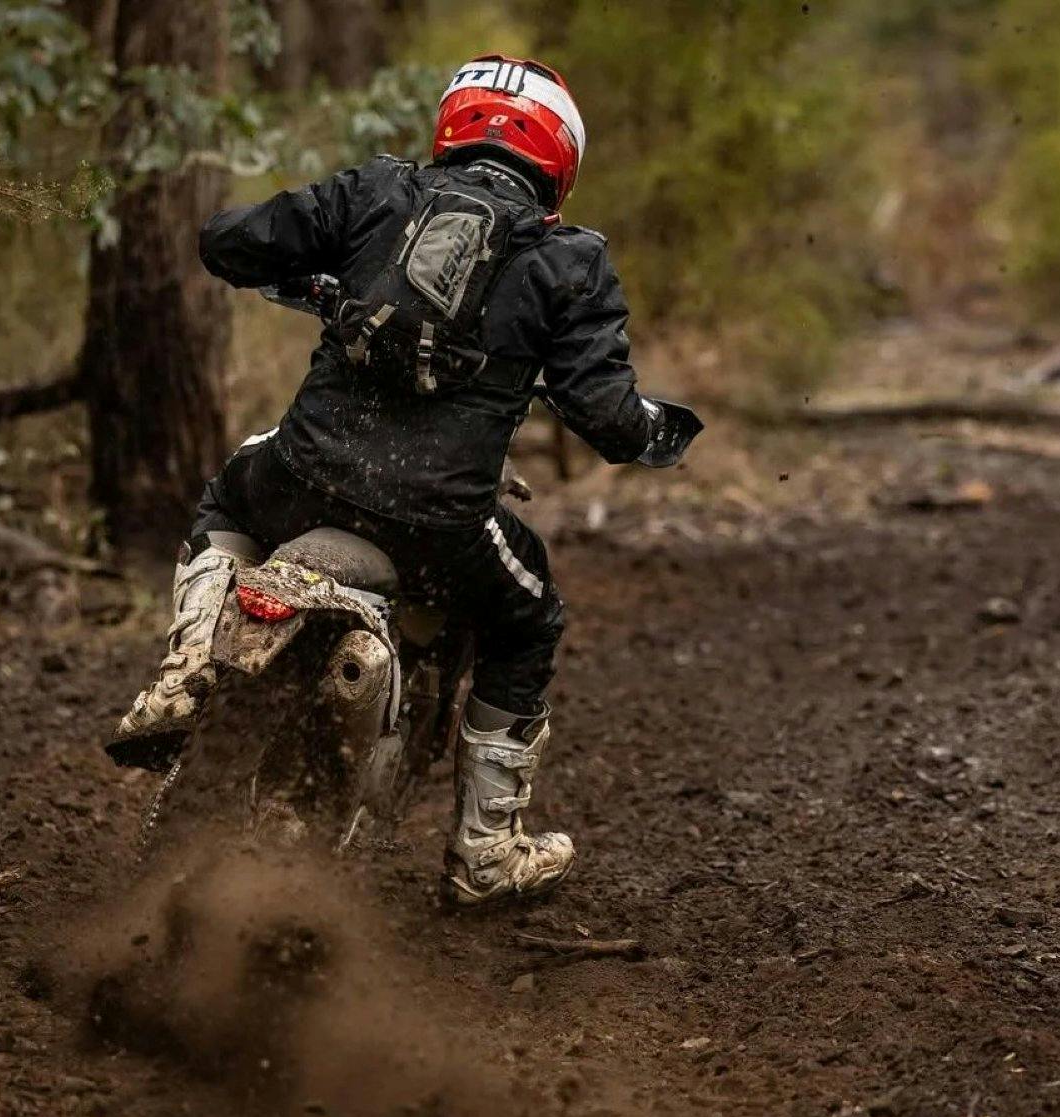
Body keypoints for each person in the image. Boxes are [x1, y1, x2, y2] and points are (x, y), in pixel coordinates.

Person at [104, 55, 700, 907]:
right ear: (559, 162)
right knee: (530, 617)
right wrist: (655, 432)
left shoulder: (375, 194)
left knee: (228, 496)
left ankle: (182, 671)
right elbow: (603, 414)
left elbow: (227, 240)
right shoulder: (570, 262)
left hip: (302, 480)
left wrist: (321, 281)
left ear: (452, 126)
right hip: (435, 530)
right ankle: (485, 851)